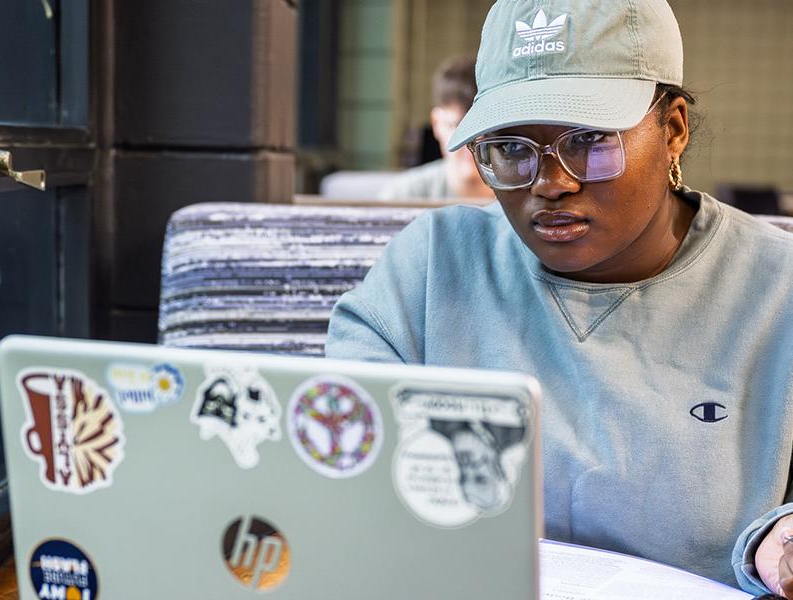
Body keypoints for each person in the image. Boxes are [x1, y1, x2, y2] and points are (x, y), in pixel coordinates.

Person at [325, 0, 793, 596]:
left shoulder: (777, 291)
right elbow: (336, 463)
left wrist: (776, 537)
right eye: (513, 148)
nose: (551, 183)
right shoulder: (430, 269)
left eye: (591, 140)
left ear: (673, 129)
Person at [377, 56, 496, 201]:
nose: (471, 142)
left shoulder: (520, 196)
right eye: (458, 127)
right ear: (436, 123)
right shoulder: (401, 197)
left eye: (483, 128)